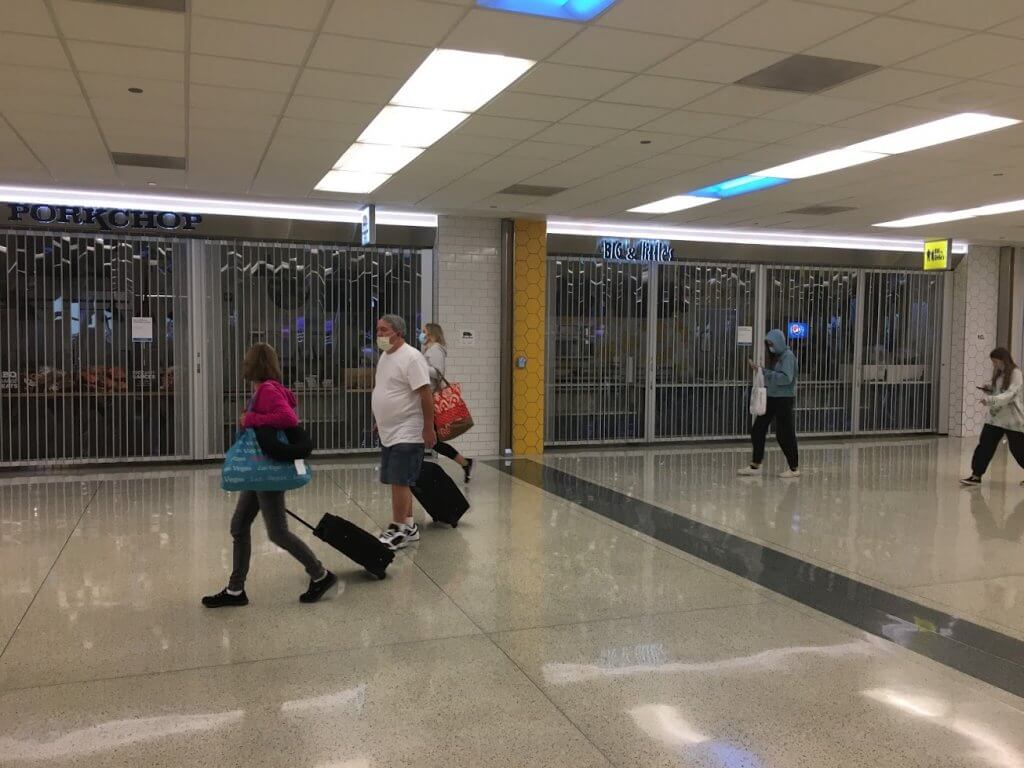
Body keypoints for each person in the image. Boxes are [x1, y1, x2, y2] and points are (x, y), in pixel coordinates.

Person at [204, 343, 336, 607]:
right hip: (258, 469)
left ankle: (320, 574)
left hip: (266, 470)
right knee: (239, 526)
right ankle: (235, 590)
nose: (243, 364)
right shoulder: (267, 388)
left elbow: (287, 418)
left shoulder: (266, 389)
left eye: (246, 360)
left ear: (253, 364)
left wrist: (250, 419)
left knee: (277, 533)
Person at [372, 314, 436, 550]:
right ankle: (408, 526)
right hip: (390, 429)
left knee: (400, 479)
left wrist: (428, 427)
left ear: (398, 333)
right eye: (377, 330)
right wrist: (381, 419)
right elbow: (388, 390)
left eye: (383, 330)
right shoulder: (385, 356)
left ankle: (398, 529)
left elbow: (425, 394)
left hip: (408, 429)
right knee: (397, 481)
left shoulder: (412, 357)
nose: (378, 335)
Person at [739, 329, 800, 479]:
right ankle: (755, 464)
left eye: (772, 344)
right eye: (769, 344)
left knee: (784, 434)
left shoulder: (788, 357)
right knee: (758, 429)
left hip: (784, 399)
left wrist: (766, 373)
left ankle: (794, 467)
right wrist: (761, 371)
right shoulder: (778, 357)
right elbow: (775, 377)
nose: (770, 347)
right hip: (772, 397)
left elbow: (786, 378)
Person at [419, 322, 474, 484]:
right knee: (433, 441)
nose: (421, 334)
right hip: (426, 398)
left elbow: (437, 372)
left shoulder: (436, 349)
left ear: (431, 333)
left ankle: (465, 463)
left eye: (424, 332)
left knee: (431, 440)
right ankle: (465, 463)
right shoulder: (430, 349)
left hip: (431, 399)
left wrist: (418, 365)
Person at [961, 347, 1024, 486]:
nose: (995, 365)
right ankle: (976, 475)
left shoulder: (1016, 373)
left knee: (1019, 449)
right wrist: (990, 390)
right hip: (995, 419)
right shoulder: (1000, 374)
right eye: (993, 362)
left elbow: (1010, 394)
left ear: (1004, 360)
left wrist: (991, 400)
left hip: (1012, 420)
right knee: (985, 445)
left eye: (996, 362)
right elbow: (998, 392)